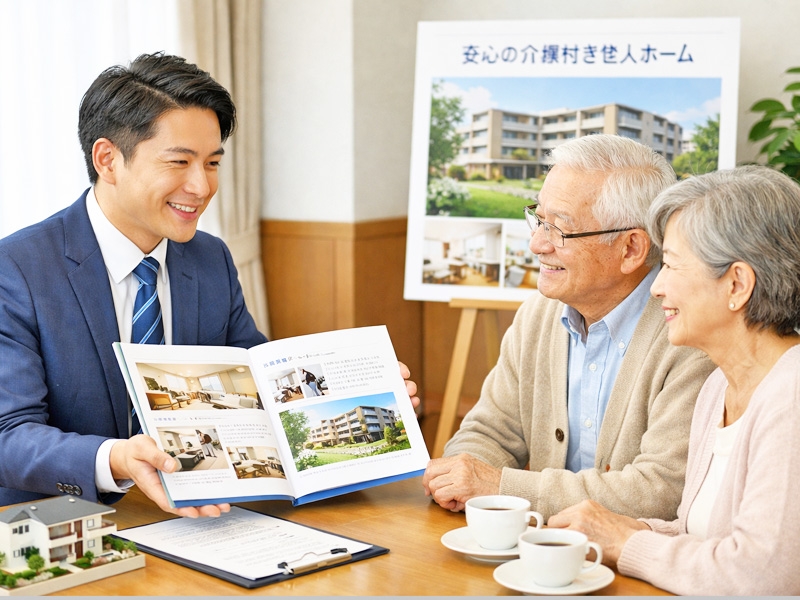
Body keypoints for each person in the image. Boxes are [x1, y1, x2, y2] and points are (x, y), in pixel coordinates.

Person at [0, 53, 418, 517]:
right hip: (65, 520)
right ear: (107, 160)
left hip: (207, 518)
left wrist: (361, 395)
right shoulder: (17, 269)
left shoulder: (210, 257)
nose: (201, 186)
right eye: (179, 162)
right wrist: (117, 458)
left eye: (213, 163)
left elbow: (255, 384)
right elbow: (8, 434)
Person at [422, 135, 715, 520]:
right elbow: (489, 432)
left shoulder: (690, 334)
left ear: (631, 249)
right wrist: (463, 476)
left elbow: (659, 492)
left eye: (559, 229)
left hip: (638, 563)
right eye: (539, 219)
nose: (536, 244)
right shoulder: (538, 315)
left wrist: (499, 486)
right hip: (543, 554)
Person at [548, 166, 800, 595]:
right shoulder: (719, 387)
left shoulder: (791, 396)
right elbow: (696, 536)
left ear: (736, 283)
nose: (656, 287)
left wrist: (625, 540)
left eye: (672, 266)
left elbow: (761, 577)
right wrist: (613, 526)